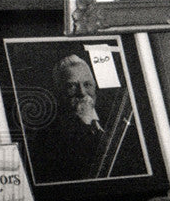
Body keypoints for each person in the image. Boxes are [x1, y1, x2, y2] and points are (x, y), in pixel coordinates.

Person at [31, 54, 145, 183]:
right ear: (59, 92)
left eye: (87, 84)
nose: (82, 92)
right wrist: (84, 123)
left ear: (95, 86)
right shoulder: (48, 135)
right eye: (72, 86)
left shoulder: (115, 116)